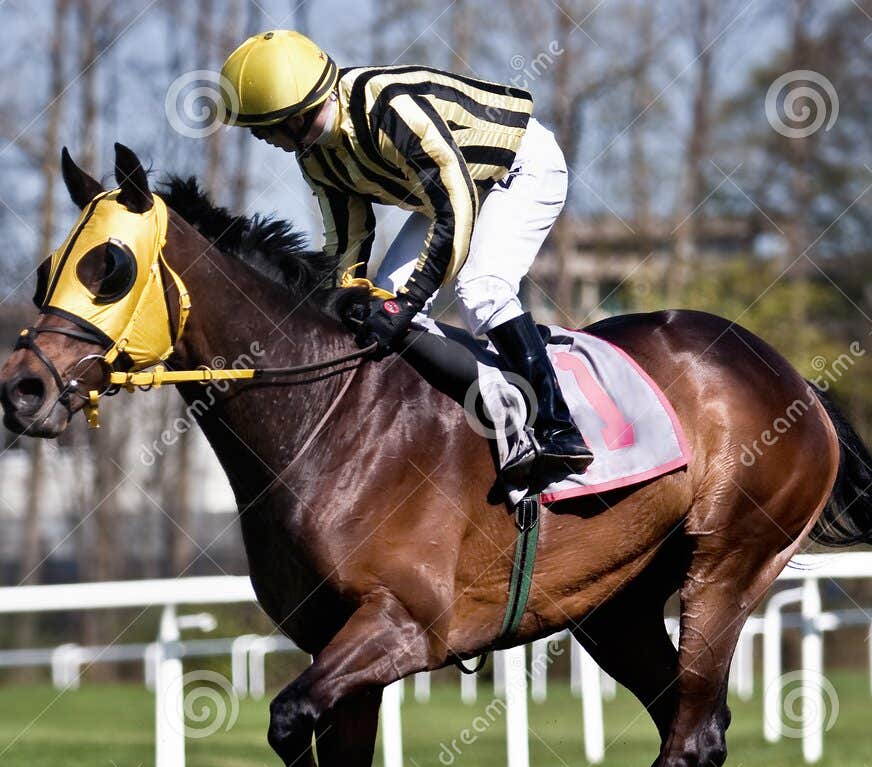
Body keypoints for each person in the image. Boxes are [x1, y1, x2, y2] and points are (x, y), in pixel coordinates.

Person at [218, 29, 592, 487]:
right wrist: (337, 301)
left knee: (481, 289)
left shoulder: (386, 106)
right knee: (381, 300)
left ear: (294, 114)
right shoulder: (313, 154)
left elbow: (454, 203)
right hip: (452, 191)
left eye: (263, 127)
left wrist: (409, 301)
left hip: (517, 166)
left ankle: (558, 426)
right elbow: (347, 237)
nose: (261, 139)